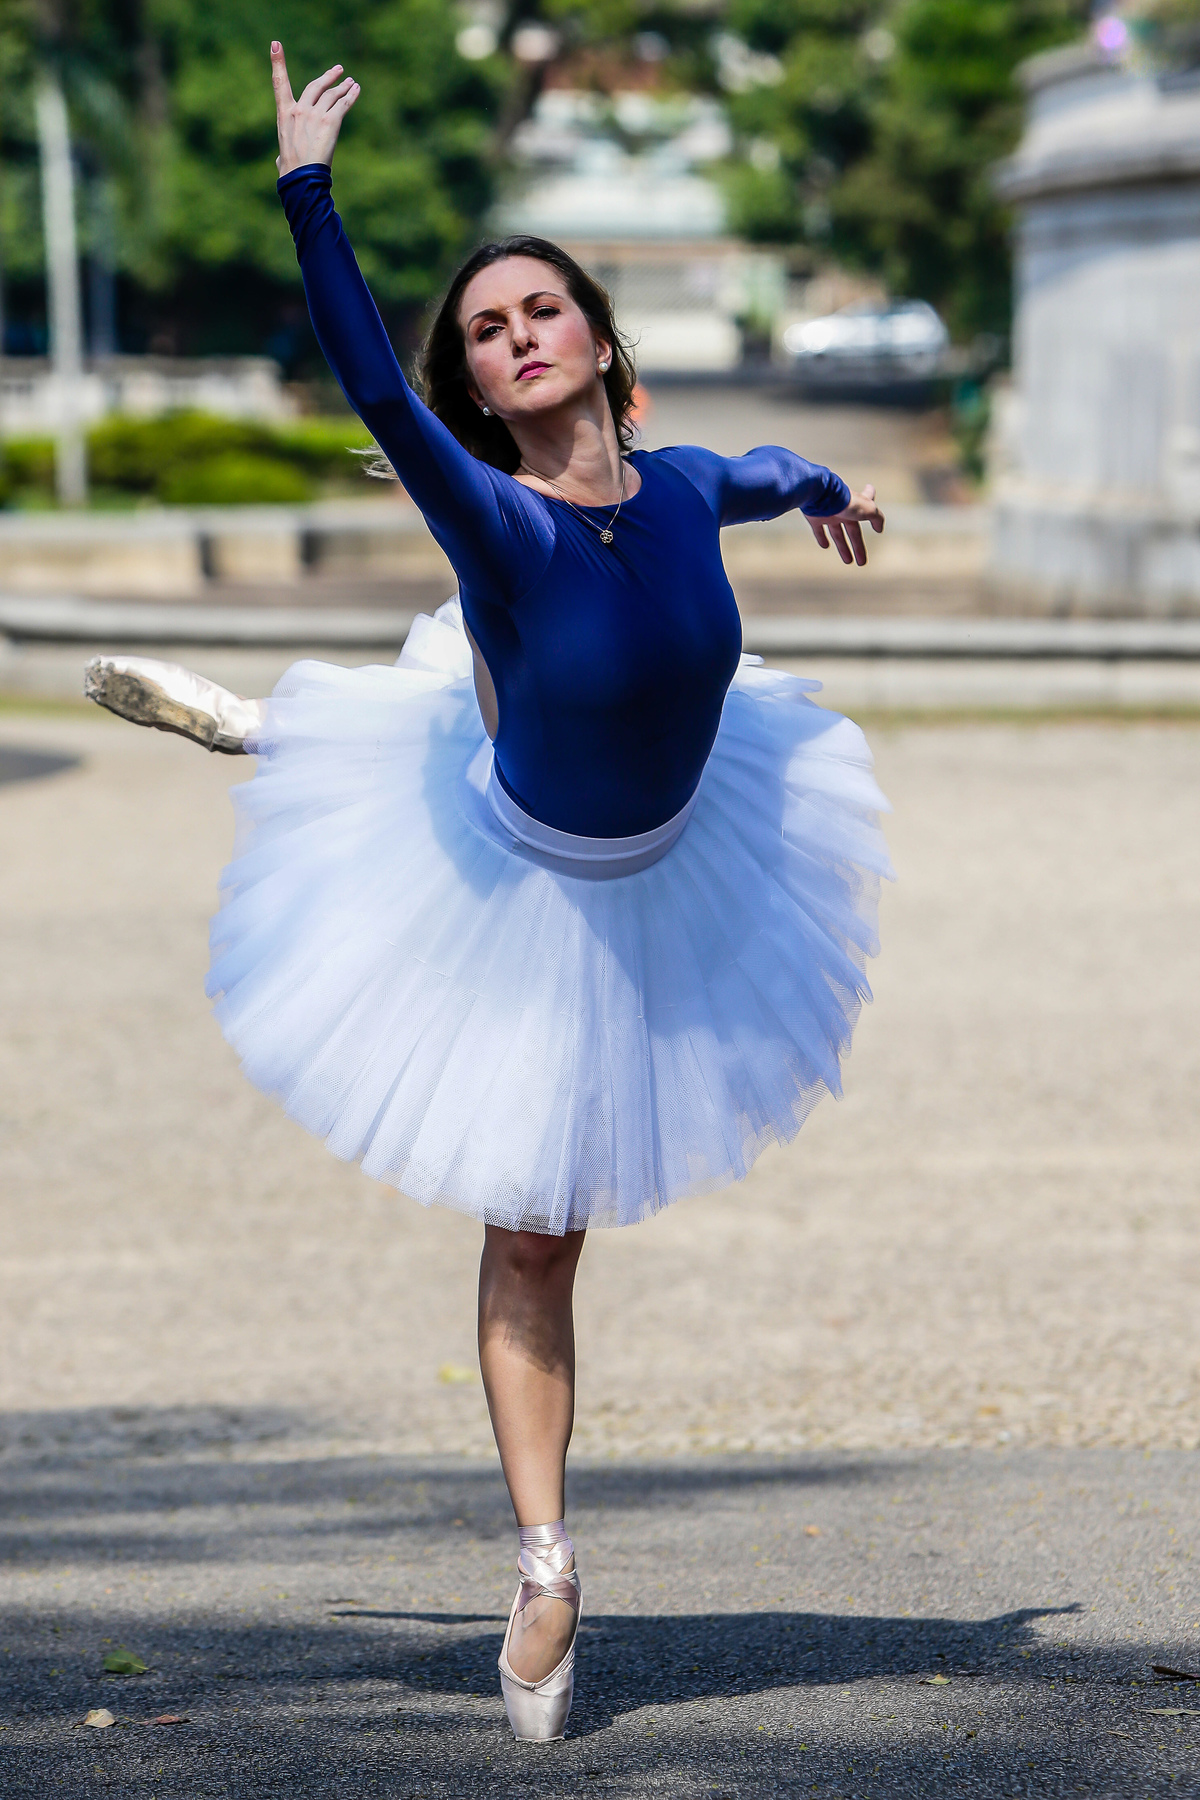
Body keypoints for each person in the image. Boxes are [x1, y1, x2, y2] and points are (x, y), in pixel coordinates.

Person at [85, 44, 892, 1743]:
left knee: (480, 703)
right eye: (486, 330)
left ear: (598, 338)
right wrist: (309, 192)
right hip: (528, 890)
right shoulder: (501, 522)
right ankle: (545, 1564)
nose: (514, 335)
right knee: (536, 1231)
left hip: (684, 849)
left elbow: (752, 471)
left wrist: (833, 489)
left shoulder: (674, 487)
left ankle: (300, 728)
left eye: (541, 311)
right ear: (482, 378)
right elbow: (380, 395)